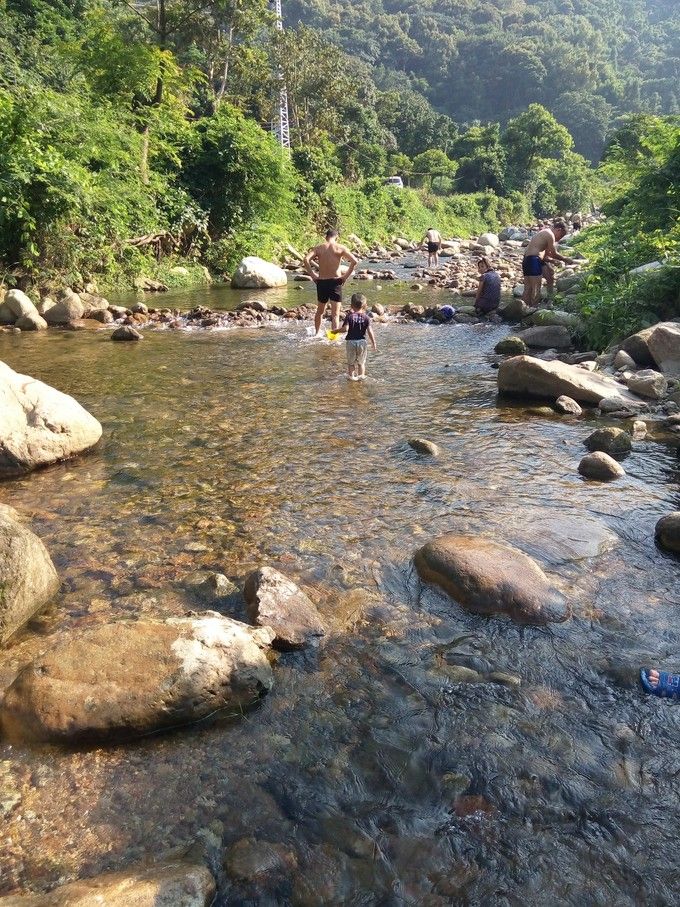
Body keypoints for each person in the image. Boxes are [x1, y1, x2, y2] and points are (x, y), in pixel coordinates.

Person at [304, 229, 359, 336]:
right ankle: (333, 338)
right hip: (335, 282)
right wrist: (345, 277)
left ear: (326, 237)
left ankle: (316, 334)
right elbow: (355, 261)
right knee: (335, 314)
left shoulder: (319, 248)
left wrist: (313, 276)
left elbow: (306, 259)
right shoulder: (340, 247)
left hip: (322, 282)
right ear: (336, 237)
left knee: (320, 312)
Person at [521, 218, 574, 308]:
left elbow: (545, 255)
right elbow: (554, 253)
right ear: (558, 230)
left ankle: (549, 299)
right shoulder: (549, 234)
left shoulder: (543, 234)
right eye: (560, 236)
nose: (559, 239)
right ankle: (533, 309)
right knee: (535, 288)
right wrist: (566, 259)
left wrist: (552, 261)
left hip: (529, 259)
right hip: (533, 260)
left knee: (549, 274)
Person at [336, 293, 377, 380]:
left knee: (351, 363)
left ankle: (351, 378)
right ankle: (361, 378)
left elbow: (345, 329)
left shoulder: (349, 316)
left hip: (351, 342)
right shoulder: (366, 317)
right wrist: (373, 342)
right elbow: (370, 331)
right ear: (365, 306)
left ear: (351, 305)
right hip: (362, 342)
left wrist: (336, 331)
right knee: (361, 363)